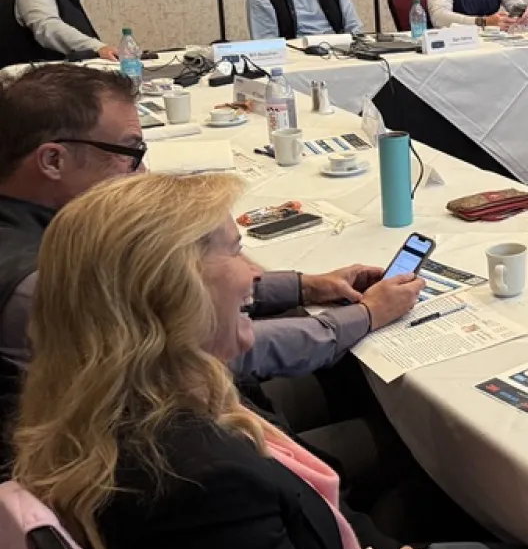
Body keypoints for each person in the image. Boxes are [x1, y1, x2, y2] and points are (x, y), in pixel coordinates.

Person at [9, 172, 528, 549]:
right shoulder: (198, 476)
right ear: (172, 292)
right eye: (235, 253)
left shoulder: (94, 399)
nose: (254, 277)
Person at [0, 64, 423, 399]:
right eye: (130, 153)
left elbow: (182, 289)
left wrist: (305, 287)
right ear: (52, 161)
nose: (143, 172)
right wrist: (364, 316)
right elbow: (206, 349)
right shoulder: (44, 280)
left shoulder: (49, 231)